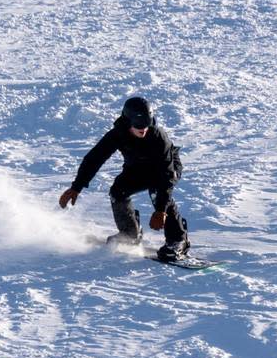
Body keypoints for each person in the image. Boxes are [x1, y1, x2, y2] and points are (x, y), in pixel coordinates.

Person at [58, 97, 190, 262]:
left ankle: (178, 240)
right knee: (117, 191)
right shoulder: (118, 134)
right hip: (137, 167)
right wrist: (76, 187)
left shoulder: (158, 137)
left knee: (158, 192)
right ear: (128, 122)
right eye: (138, 126)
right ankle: (130, 233)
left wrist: (161, 210)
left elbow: (167, 175)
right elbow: (94, 158)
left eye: (146, 125)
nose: (143, 130)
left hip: (166, 168)